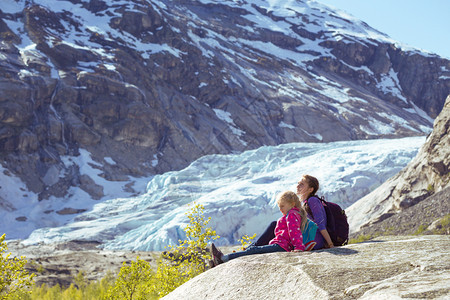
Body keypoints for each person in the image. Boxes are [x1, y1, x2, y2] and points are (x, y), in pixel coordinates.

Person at [209, 191, 315, 267]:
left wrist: (298, 247)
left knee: (254, 250)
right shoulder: (292, 214)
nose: (280, 209)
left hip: (282, 246)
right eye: (279, 206)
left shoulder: (292, 214)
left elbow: (294, 231)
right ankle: (219, 261)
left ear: (292, 204)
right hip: (280, 244)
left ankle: (223, 259)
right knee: (254, 250)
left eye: (282, 206)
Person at [251, 175, 334, 250]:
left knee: (274, 225)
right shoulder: (305, 202)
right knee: (279, 225)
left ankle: (253, 248)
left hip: (313, 239)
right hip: (307, 237)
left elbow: (321, 224)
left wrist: (330, 244)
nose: (298, 186)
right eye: (298, 183)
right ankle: (254, 248)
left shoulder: (312, 200)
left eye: (302, 184)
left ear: (310, 189)